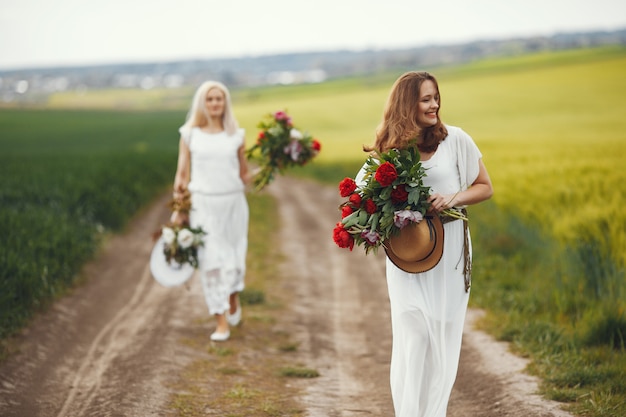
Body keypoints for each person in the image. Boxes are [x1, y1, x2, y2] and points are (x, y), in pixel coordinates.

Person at [362, 71, 493, 416]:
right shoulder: (389, 149)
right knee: (414, 336)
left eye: (436, 97)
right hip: (407, 256)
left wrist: (452, 198)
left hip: (449, 250)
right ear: (408, 104)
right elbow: (362, 196)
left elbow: (485, 186)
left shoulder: (457, 140)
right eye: (425, 99)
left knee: (442, 340)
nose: (434, 104)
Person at [170, 80, 250, 342]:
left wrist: (271, 168)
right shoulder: (190, 135)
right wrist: (179, 209)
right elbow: (182, 175)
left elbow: (244, 173)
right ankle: (220, 320)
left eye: (219, 99)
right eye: (210, 99)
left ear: (225, 103)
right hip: (203, 205)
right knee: (211, 261)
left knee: (235, 258)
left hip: (233, 204)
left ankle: (233, 297)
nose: (215, 103)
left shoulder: (236, 136)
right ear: (202, 103)